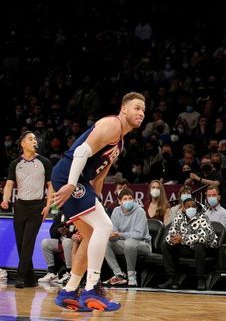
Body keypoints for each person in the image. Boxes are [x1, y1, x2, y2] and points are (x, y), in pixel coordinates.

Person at [50, 91, 146, 312]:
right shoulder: (112, 125)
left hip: (80, 180)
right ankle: (92, 288)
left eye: (143, 110)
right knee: (105, 226)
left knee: (92, 234)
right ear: (124, 109)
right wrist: (71, 184)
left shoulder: (120, 141)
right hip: (69, 176)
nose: (141, 113)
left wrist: (95, 201)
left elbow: (98, 178)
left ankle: (69, 291)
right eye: (137, 108)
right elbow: (81, 151)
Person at [1, 131, 54, 288]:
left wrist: (48, 205)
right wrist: (5, 199)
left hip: (37, 207)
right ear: (23, 143)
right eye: (30, 139)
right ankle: (30, 278)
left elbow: (50, 186)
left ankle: (20, 277)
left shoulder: (44, 162)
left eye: (35, 139)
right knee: (20, 243)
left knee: (28, 242)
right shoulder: (15, 163)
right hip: (20, 206)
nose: (34, 141)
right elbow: (9, 184)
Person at [158, 197, 217, 291]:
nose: (191, 208)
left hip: (206, 248)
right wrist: (174, 239)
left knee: (198, 246)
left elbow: (203, 238)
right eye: (188, 207)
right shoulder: (179, 218)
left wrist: (182, 239)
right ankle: (172, 278)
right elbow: (170, 235)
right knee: (165, 245)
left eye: (193, 206)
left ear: (196, 207)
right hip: (187, 248)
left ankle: (201, 279)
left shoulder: (203, 217)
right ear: (183, 208)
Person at [103, 187, 152, 287]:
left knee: (129, 243)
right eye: (125, 199)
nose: (128, 201)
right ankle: (118, 274)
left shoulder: (140, 211)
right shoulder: (116, 211)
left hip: (143, 244)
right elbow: (114, 232)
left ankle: (132, 276)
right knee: (105, 243)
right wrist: (110, 236)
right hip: (124, 243)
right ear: (119, 201)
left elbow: (138, 235)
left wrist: (120, 235)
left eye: (130, 198)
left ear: (133, 200)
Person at [38, 211, 74, 285]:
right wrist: (60, 227)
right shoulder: (61, 214)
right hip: (61, 242)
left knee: (66, 242)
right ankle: (52, 272)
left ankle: (69, 272)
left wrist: (68, 233)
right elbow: (52, 232)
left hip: (74, 243)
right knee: (45, 243)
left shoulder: (76, 213)